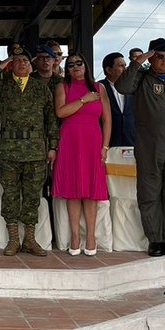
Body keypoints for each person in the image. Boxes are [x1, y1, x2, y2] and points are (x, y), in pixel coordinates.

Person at [0, 42, 58, 257]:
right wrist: (3, 65)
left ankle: (29, 239)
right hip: (9, 151)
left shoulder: (40, 88)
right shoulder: (2, 87)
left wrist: (53, 146)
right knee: (11, 195)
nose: (20, 63)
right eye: (16, 60)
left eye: (24, 61)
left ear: (31, 66)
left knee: (32, 196)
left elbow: (51, 120)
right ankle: (13, 239)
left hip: (36, 151)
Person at [115, 38, 165, 258]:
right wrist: (139, 63)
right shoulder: (141, 80)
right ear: (151, 59)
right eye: (160, 57)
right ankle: (155, 240)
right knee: (149, 194)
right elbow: (122, 86)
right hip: (149, 147)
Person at [53, 54, 111, 256]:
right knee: (73, 190)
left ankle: (92, 236)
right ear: (67, 69)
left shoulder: (99, 88)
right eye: (71, 65)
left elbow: (107, 120)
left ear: (85, 66)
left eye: (79, 63)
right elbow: (61, 112)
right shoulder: (63, 87)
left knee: (91, 191)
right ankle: (75, 236)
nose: (76, 67)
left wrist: (105, 147)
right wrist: (83, 100)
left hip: (93, 143)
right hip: (70, 142)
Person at [98, 52, 136, 148]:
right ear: (109, 70)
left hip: (131, 144)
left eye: (125, 65)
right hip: (107, 145)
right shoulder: (98, 88)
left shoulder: (133, 87)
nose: (125, 69)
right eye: (121, 66)